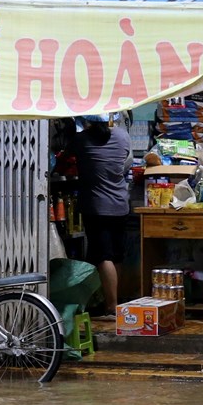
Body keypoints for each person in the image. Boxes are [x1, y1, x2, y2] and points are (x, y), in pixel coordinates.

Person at [72, 114, 132, 316]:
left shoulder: (81, 140)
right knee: (116, 255)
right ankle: (116, 301)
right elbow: (125, 164)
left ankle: (111, 306)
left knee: (103, 255)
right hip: (120, 204)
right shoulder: (123, 136)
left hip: (97, 207)